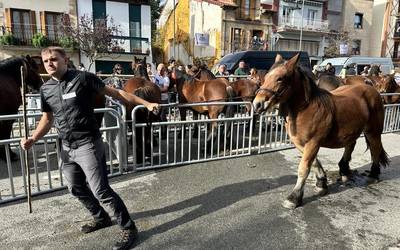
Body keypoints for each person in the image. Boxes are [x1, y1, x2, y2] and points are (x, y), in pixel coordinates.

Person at [21, 46, 159, 250]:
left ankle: (129, 228)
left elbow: (118, 93)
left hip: (88, 144)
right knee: (75, 188)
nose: (50, 63)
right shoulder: (46, 89)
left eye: (54, 59)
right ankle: (100, 217)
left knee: (101, 190)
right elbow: (47, 119)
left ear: (65, 60)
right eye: (46, 61)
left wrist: (146, 104)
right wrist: (33, 138)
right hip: (67, 147)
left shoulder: (83, 78)